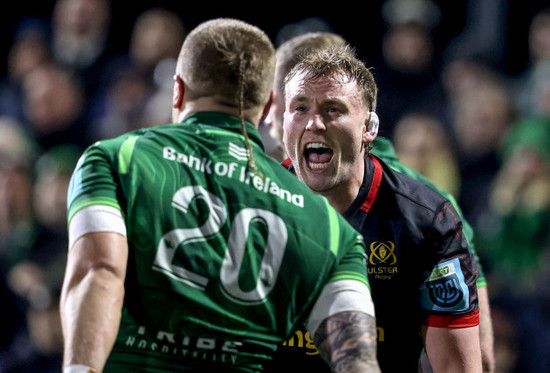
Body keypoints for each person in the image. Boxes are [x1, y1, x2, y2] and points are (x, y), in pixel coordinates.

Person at [59, 18, 380, 373]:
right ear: (269, 102)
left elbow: (99, 271)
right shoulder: (330, 227)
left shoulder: (116, 160)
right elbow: (358, 362)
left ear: (178, 90)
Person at [264, 31, 494, 373]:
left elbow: (463, 366)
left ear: (369, 128)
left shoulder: (428, 219)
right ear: (282, 122)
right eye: (299, 108)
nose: (314, 123)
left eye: (333, 109)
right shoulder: (249, 206)